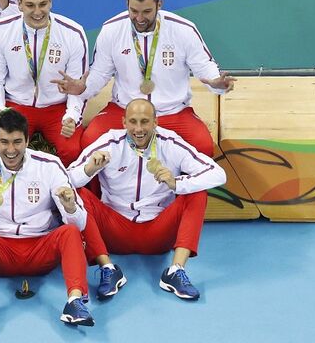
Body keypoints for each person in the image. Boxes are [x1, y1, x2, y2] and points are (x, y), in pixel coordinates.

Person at [0, 109, 92, 327]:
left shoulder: (49, 166)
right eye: (4, 142)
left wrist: (70, 207)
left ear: (27, 140)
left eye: (17, 142)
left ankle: (75, 302)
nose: (11, 150)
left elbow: (80, 224)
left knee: (69, 231)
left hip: (41, 250)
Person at [57, 0, 234, 157]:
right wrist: (82, 88)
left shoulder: (183, 30)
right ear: (127, 3)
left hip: (171, 112)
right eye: (134, 11)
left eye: (147, 12)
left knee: (203, 147)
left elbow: (204, 66)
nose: (139, 18)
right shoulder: (111, 30)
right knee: (90, 142)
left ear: (159, 4)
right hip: (125, 110)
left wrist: (216, 83)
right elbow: (100, 73)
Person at [68, 98, 226, 301]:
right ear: (124, 122)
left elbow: (218, 174)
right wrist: (89, 169)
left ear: (155, 122)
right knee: (78, 194)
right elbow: (66, 179)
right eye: (133, 122)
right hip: (114, 230)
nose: (139, 129)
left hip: (158, 231)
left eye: (145, 121)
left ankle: (176, 270)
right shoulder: (109, 143)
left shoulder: (171, 143)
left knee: (197, 192)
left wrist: (177, 183)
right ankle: (108, 268)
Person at [0, 0, 88, 164]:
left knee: (72, 151)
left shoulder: (73, 33)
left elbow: (77, 87)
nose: (38, 12)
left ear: (51, 1)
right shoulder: (0, 31)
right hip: (17, 105)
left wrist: (72, 117)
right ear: (19, 3)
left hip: (57, 108)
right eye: (30, 5)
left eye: (43, 4)